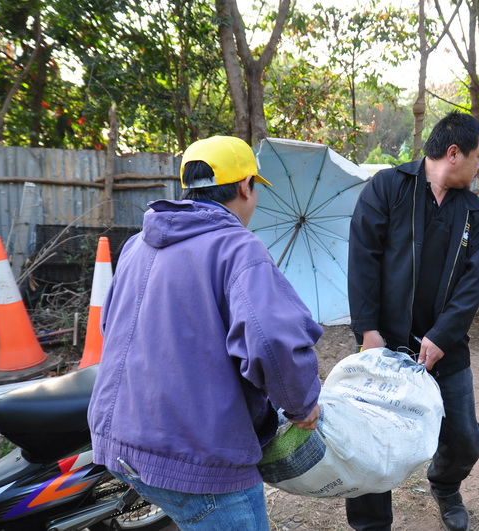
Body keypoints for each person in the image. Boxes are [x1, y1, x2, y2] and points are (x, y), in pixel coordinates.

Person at [87, 136, 322, 530]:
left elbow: (111, 327)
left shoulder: (136, 244)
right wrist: (303, 404)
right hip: (197, 459)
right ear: (245, 186)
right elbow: (273, 344)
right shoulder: (238, 249)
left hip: (119, 442)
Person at [347, 111, 479, 531]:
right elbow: (363, 259)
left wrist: (443, 336)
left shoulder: (475, 213)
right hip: (383, 343)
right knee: (370, 440)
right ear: (454, 153)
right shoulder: (388, 187)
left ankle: (445, 484)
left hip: (446, 347)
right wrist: (368, 330)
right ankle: (371, 525)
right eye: (478, 157)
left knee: (464, 438)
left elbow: (473, 284)